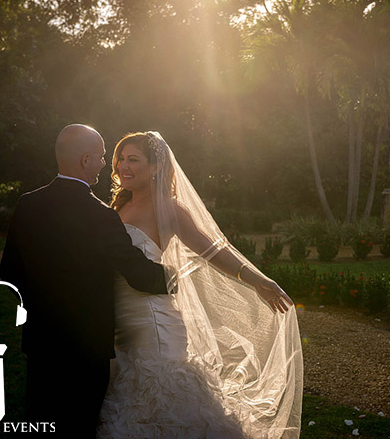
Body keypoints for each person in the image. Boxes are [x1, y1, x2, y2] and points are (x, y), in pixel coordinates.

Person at [97, 131, 303, 438]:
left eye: (133, 160)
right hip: (119, 323)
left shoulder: (169, 209)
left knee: (160, 401)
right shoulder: (116, 207)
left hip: (153, 322)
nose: (123, 166)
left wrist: (260, 281)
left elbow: (214, 252)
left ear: (155, 167)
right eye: (121, 159)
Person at [0, 124, 169, 437]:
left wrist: (42, 306)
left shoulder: (28, 205)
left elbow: (8, 272)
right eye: (103, 157)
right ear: (86, 160)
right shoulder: (100, 216)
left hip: (42, 342)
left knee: (42, 421)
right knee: (79, 424)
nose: (107, 164)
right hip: (86, 347)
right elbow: (141, 275)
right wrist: (180, 275)